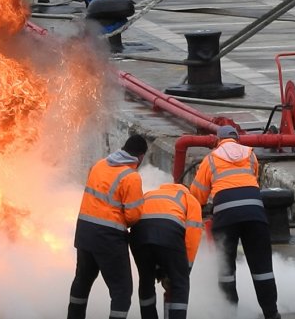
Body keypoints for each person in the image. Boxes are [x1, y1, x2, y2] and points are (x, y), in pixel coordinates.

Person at [189, 125, 281, 319]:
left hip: (225, 217)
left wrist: (197, 210)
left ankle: (229, 313)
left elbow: (197, 194)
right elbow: (252, 180)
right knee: (262, 268)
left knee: (226, 269)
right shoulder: (250, 155)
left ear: (217, 141)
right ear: (237, 139)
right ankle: (271, 313)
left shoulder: (211, 159)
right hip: (255, 214)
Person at [67, 134, 148, 319]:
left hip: (84, 232)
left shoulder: (99, 165)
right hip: (108, 238)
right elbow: (134, 216)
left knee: (82, 281)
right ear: (141, 157)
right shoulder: (131, 177)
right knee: (122, 291)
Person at [129, 183, 203, 319]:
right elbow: (193, 236)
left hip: (138, 236)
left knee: (146, 280)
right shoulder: (189, 198)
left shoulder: (149, 194)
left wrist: (160, 271)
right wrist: (184, 270)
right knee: (180, 285)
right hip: (169, 234)